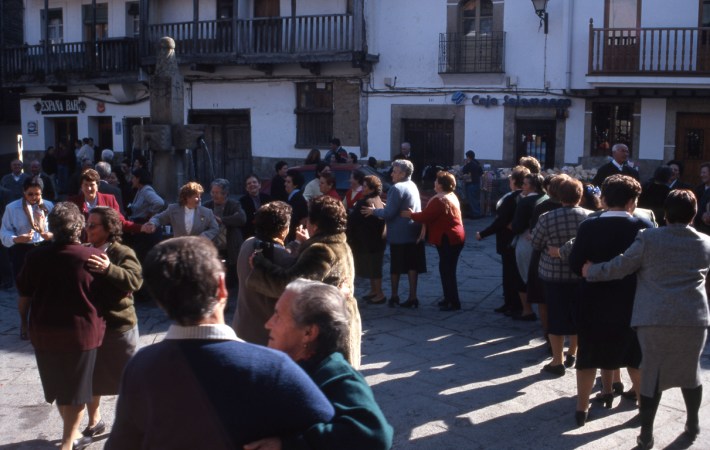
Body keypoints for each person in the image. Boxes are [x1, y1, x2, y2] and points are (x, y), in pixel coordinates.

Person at [105, 237, 335, 449]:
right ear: (222, 287)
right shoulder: (272, 366)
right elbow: (338, 434)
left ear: (159, 301)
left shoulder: (141, 367)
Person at [582, 190, 710, 448]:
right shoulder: (706, 242)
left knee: (652, 374)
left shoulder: (649, 238)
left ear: (666, 213)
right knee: (690, 372)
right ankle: (693, 423)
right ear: (694, 214)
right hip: (693, 317)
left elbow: (621, 266)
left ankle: (647, 433)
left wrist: (592, 271)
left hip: (654, 317)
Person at [245, 279, 393, 450]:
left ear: (309, 332)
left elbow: (374, 435)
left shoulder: (335, 375)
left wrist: (288, 445)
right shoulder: (287, 365)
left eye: (278, 316)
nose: (268, 324)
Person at [16, 202, 105, 450]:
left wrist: (23, 323)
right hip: (82, 334)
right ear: (79, 228)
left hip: (45, 332)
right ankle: (67, 442)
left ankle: (71, 437)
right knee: (76, 391)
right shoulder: (94, 258)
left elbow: (24, 296)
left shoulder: (35, 258)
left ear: (52, 228)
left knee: (59, 387)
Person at [566, 174, 651, 426]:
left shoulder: (589, 226)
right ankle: (643, 406)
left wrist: (591, 268)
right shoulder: (644, 226)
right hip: (631, 299)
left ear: (603, 199)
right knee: (634, 356)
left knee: (589, 355)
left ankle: (581, 409)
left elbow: (575, 264)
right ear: (632, 201)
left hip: (593, 299)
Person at [248, 195, 362, 368]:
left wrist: (261, 265)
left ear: (315, 226)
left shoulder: (321, 250)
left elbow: (290, 286)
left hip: (326, 331)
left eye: (309, 219)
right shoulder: (340, 243)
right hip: (342, 319)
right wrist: (305, 243)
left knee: (326, 378)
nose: (306, 223)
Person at [81, 207, 142, 441]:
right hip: (92, 328)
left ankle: (134, 423)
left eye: (93, 225)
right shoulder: (84, 251)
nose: (88, 229)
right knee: (92, 378)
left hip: (119, 327)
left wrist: (109, 269)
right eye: (87, 224)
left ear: (108, 229)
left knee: (127, 380)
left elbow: (135, 280)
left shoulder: (122, 252)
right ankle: (94, 421)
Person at [530, 175, 588, 377]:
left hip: (553, 274)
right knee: (577, 315)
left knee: (556, 316)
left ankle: (557, 360)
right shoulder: (590, 217)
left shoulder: (546, 217)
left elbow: (536, 243)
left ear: (559, 196)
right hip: (580, 273)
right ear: (580, 196)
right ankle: (572, 352)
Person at [233, 201, 297, 345]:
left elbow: (277, 250)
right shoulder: (283, 258)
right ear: (284, 229)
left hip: (242, 326)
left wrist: (295, 244)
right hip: (267, 335)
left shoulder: (247, 243)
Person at [362, 159, 424, 309]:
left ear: (403, 173)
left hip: (399, 234)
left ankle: (394, 296)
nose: (391, 174)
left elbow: (389, 214)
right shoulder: (412, 185)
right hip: (413, 231)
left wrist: (373, 211)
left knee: (396, 266)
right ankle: (413, 296)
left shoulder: (396, 188)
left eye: (395, 171)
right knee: (412, 266)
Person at [402, 171, 465, 311]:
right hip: (454, 237)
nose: (434, 182)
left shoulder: (440, 200)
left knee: (447, 270)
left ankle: (454, 302)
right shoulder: (450, 196)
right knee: (446, 269)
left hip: (448, 238)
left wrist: (411, 215)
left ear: (441, 185)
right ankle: (448, 298)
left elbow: (426, 216)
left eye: (436, 181)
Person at [477, 165, 530, 316]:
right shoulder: (528, 197)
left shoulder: (512, 198)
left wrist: (483, 234)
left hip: (509, 240)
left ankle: (513, 304)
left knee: (510, 274)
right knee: (515, 273)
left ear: (514, 181)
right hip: (520, 239)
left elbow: (500, 221)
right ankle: (512, 303)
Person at [1, 177, 54, 295]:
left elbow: (56, 229)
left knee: (44, 287)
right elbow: (4, 231)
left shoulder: (48, 206)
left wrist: (50, 235)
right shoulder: (12, 208)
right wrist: (16, 239)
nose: (34, 197)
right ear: (24, 192)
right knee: (24, 289)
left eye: (37, 194)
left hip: (44, 248)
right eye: (30, 194)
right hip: (22, 250)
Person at [510, 172, 546, 321]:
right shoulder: (546, 199)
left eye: (525, 184)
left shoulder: (525, 202)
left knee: (522, 274)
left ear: (533, 187)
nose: (522, 186)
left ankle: (527, 310)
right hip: (544, 241)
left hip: (527, 239)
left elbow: (517, 226)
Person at [347, 175, 386, 304]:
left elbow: (353, 220)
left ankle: (379, 293)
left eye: (365, 186)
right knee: (373, 266)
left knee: (374, 268)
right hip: (377, 239)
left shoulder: (365, 202)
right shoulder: (377, 199)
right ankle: (374, 291)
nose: (362, 188)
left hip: (369, 240)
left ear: (371, 189)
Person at [68, 169, 141, 238]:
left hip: (103, 242)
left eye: (92, 185)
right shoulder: (73, 201)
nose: (89, 188)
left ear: (97, 186)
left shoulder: (109, 199)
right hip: (81, 243)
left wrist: (141, 227)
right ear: (81, 187)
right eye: (85, 185)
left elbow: (119, 222)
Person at [204, 178, 246, 287]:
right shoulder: (207, 206)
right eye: (212, 192)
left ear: (225, 193)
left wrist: (222, 220)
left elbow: (241, 218)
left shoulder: (233, 205)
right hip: (213, 248)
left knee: (231, 281)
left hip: (230, 247)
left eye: (217, 193)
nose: (214, 195)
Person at [142, 181, 219, 240]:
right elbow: (158, 218)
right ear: (187, 197)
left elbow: (215, 228)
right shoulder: (173, 209)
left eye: (200, 197)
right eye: (196, 197)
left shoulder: (206, 212)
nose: (199, 199)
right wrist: (152, 224)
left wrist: (203, 237)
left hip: (197, 249)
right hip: (179, 249)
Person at [239, 174, 272, 240]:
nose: (252, 184)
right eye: (249, 183)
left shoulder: (268, 199)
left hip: (267, 233)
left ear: (259, 185)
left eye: (254, 182)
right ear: (246, 188)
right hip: (250, 235)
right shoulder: (242, 201)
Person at [284, 169, 308, 242]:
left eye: (288, 182)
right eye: (285, 181)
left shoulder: (298, 199)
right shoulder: (292, 197)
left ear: (295, 185)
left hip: (296, 237)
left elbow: (293, 221)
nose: (285, 184)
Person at [462, 150, 483, 218]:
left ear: (468, 157)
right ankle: (475, 213)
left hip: (471, 184)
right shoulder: (477, 163)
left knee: (472, 200)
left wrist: (466, 164)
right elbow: (481, 172)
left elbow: (464, 170)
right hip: (477, 183)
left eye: (466, 157)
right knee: (475, 199)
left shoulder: (470, 164)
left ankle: (476, 214)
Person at [693, 162, 710, 235]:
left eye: (704, 173)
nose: (701, 175)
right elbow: (693, 205)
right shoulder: (698, 189)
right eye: (701, 173)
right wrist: (702, 214)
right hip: (698, 227)